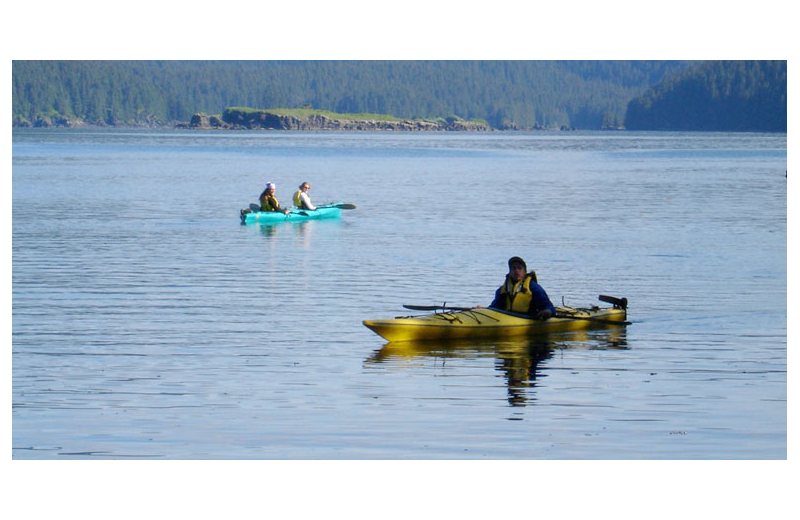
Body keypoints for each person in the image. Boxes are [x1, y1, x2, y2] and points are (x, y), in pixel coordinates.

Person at [488, 256, 556, 320]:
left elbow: (548, 306)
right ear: (510, 272)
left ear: (525, 272)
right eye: (514, 268)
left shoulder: (534, 287)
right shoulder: (502, 290)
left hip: (527, 318)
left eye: (519, 268)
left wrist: (548, 311)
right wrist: (484, 310)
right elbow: (494, 307)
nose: (517, 271)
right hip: (506, 319)